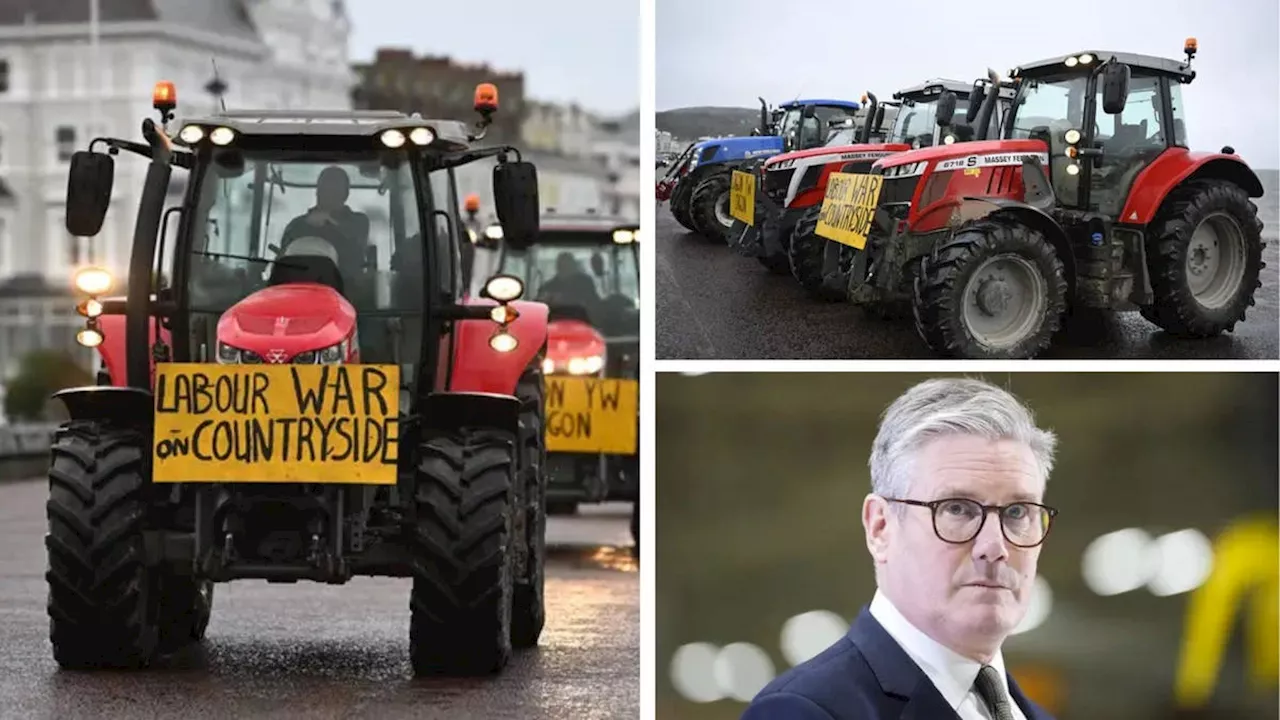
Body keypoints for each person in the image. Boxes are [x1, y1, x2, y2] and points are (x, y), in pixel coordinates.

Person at [742, 378, 1059, 720]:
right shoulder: (802, 711)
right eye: (957, 508)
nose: (995, 547)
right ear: (880, 527)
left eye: (1017, 513)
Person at [279, 165, 370, 273]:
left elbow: (356, 245)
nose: (329, 194)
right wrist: (307, 225)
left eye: (335, 190)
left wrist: (330, 224)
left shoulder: (358, 222)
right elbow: (283, 257)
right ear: (317, 191)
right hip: (300, 283)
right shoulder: (296, 225)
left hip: (348, 286)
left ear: (346, 194)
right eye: (324, 189)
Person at [536, 252, 601, 310]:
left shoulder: (586, 283)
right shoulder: (548, 287)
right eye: (562, 265)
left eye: (567, 265)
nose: (565, 268)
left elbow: (595, 304)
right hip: (556, 320)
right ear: (557, 267)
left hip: (583, 319)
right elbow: (538, 305)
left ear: (573, 266)